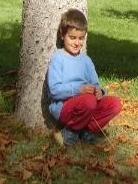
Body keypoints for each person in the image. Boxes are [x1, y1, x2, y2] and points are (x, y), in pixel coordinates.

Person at [46, 8, 122, 146]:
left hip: (88, 104)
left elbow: (96, 84)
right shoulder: (58, 58)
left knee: (115, 104)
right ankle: (70, 131)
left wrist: (100, 91)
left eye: (81, 38)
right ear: (62, 36)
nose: (77, 43)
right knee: (88, 101)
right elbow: (55, 90)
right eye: (72, 37)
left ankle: (86, 132)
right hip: (64, 106)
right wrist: (78, 90)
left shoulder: (86, 61)